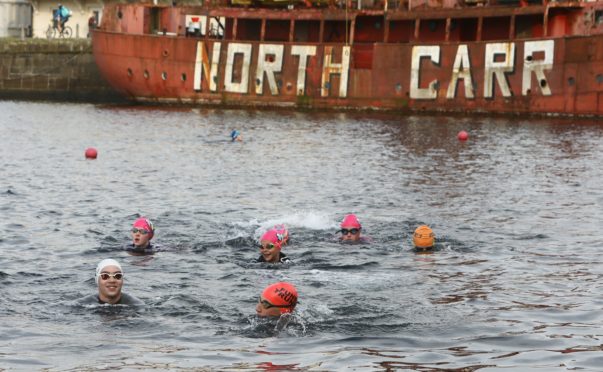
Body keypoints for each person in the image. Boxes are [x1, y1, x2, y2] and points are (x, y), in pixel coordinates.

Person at [76, 259, 144, 305]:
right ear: (97, 280)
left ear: (122, 280)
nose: (112, 280)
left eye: (117, 276)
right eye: (105, 276)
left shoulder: (136, 305)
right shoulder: (82, 304)